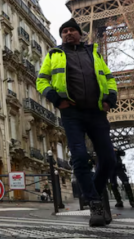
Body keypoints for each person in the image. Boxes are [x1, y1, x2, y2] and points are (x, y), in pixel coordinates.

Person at [37, 18, 117, 227]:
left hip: (97, 112)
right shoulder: (54, 55)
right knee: (79, 157)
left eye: (72, 30)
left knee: (109, 158)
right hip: (72, 113)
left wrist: (110, 100)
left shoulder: (93, 53)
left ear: (80, 34)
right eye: (64, 31)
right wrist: (57, 99)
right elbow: (41, 80)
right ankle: (94, 203)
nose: (68, 33)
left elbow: (108, 78)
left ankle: (94, 194)